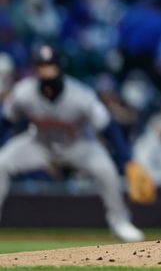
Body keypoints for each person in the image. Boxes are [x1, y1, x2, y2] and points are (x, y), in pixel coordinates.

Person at [0, 44, 146, 242]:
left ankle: (120, 223)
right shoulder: (23, 93)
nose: (46, 70)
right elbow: (6, 121)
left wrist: (128, 161)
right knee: (2, 163)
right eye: (42, 65)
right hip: (39, 143)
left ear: (60, 66)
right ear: (35, 68)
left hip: (76, 145)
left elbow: (108, 127)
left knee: (106, 170)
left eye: (50, 64)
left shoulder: (81, 95)